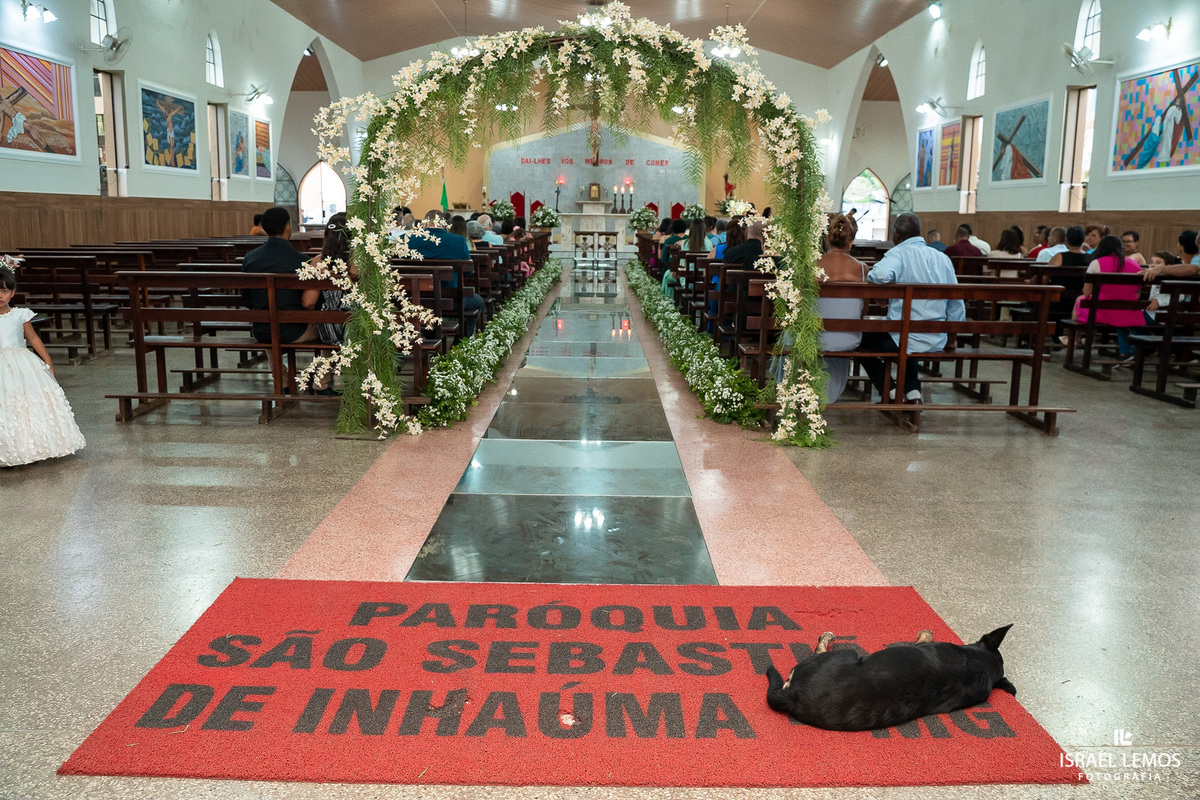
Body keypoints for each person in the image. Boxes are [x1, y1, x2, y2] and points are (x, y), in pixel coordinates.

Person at [862, 212, 965, 404]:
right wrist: (951, 338)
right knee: (908, 335)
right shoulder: (942, 258)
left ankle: (891, 391)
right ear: (920, 233)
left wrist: (881, 290)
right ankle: (913, 393)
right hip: (936, 338)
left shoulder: (898, 253)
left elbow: (880, 275)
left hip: (904, 336)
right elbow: (956, 304)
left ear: (896, 235)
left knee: (857, 339)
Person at [0, 260, 87, 467]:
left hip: (20, 364)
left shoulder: (20, 314)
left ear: (12, 293)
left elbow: (34, 339)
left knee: (24, 402)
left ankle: (29, 446)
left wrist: (47, 360)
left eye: (3, 291)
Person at [241, 206, 319, 344]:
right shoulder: (301, 260)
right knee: (324, 326)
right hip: (295, 331)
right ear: (288, 227)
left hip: (261, 331)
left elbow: (247, 300)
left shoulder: (250, 258)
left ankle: (276, 366)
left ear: (265, 229)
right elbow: (309, 302)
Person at [406, 210, 486, 336]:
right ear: (444, 224)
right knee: (479, 302)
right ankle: (459, 343)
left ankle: (429, 337)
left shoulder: (409, 240)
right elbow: (468, 271)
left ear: (424, 224)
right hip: (450, 300)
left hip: (414, 299)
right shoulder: (458, 241)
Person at [814, 214, 867, 402]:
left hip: (816, 336)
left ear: (828, 238)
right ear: (851, 242)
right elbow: (863, 310)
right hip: (848, 339)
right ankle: (830, 390)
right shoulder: (862, 269)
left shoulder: (814, 264)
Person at [301, 213, 354, 394]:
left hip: (328, 330)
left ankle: (321, 383)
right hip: (354, 327)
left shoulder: (318, 262)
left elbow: (308, 301)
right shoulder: (360, 263)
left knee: (327, 318)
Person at [1078, 234, 1146, 360]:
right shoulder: (1134, 264)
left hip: (1103, 311)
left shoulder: (1096, 263)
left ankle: (1080, 339)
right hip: (1129, 311)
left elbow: (1087, 292)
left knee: (1080, 300)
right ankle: (1130, 353)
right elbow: (1138, 292)